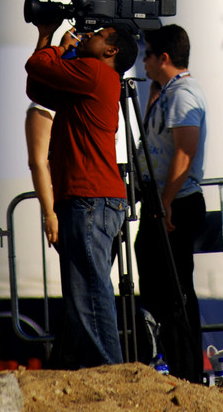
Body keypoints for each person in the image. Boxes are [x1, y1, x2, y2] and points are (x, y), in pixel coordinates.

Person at [26, 22, 138, 368]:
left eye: (98, 35)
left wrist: (58, 45)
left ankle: (111, 371)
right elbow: (38, 86)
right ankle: (99, 368)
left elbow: (38, 66)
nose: (89, 36)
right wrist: (45, 39)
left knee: (89, 290)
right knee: (83, 292)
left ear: (111, 51)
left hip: (90, 198)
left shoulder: (94, 73)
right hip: (91, 199)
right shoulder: (90, 79)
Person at [134, 24, 207, 383]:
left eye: (146, 54)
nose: (141, 61)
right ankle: (169, 362)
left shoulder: (183, 94)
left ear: (164, 57)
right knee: (158, 286)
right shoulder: (167, 93)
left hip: (176, 203)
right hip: (163, 203)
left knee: (176, 292)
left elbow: (185, 150)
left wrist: (165, 202)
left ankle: (186, 372)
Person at [25, 104, 58, 245]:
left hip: (101, 202)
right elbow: (37, 163)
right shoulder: (43, 107)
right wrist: (50, 214)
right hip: (73, 205)